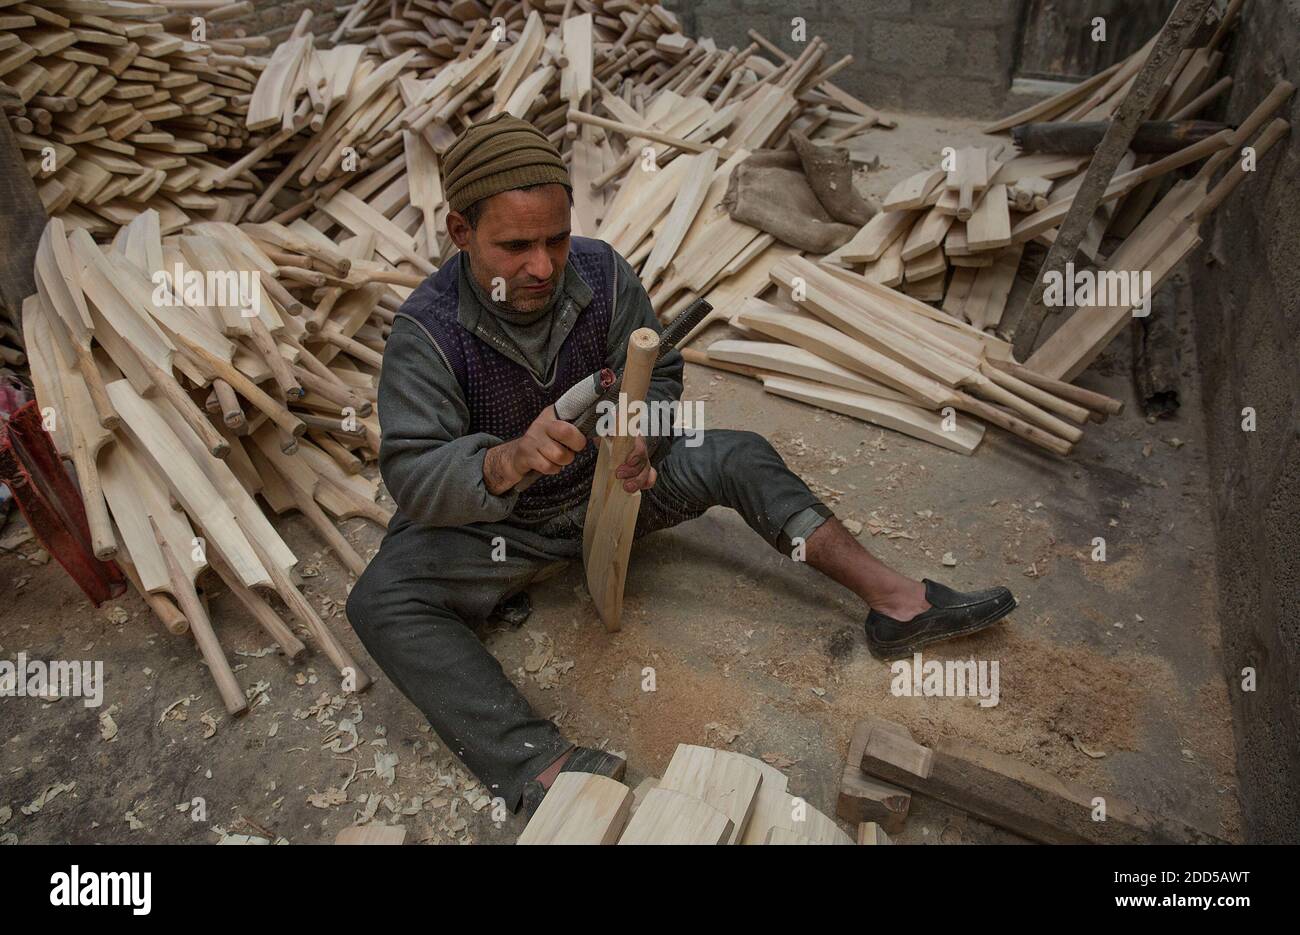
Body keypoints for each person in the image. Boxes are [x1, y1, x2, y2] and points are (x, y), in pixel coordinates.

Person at [346, 114, 1016, 815]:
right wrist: (505, 461)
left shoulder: (600, 273)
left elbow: (660, 372)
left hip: (616, 491)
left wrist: (642, 434)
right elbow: (414, 475)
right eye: (515, 246)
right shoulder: (428, 332)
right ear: (460, 233)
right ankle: (539, 766)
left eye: (555, 238)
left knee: (740, 454)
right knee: (381, 599)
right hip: (507, 525)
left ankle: (899, 604)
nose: (542, 266)